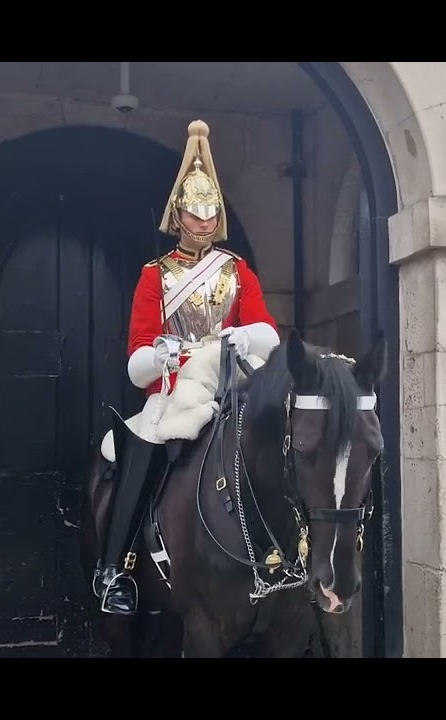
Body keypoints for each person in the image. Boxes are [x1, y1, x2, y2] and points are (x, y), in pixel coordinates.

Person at [91, 119, 281, 615]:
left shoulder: (238, 272)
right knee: (142, 450)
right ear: (178, 215)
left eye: (210, 211)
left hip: (231, 383)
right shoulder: (155, 277)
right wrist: (161, 354)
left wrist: (237, 335)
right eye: (194, 212)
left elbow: (268, 333)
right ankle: (117, 570)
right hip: (174, 390)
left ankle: (294, 558)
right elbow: (136, 361)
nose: (203, 221)